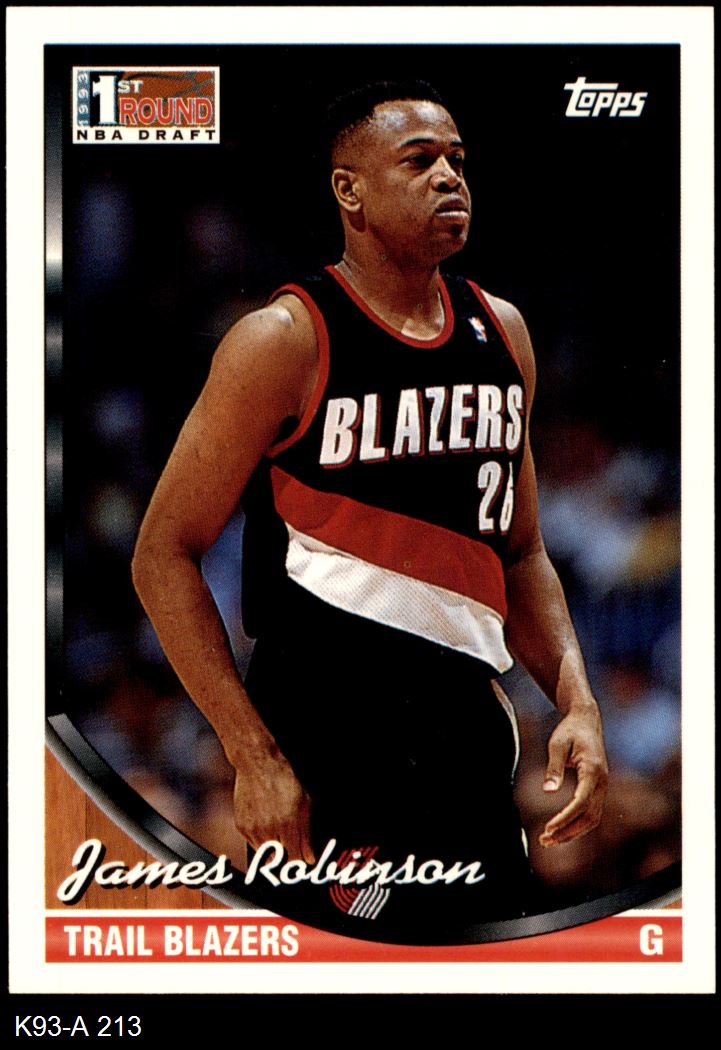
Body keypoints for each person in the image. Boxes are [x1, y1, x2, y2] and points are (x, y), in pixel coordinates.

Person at [132, 80, 608, 929]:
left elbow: (521, 550)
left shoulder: (502, 331)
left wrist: (575, 700)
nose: (449, 178)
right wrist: (252, 756)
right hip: (328, 745)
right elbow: (161, 553)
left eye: (457, 161)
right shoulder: (284, 338)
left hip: (469, 742)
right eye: (418, 161)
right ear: (348, 190)